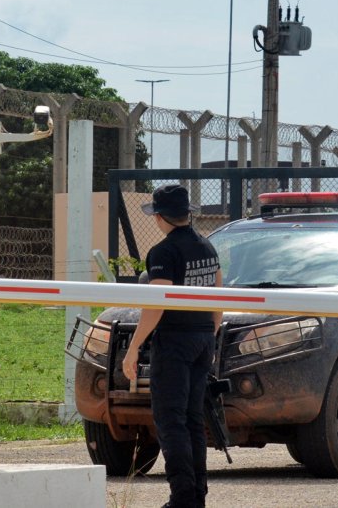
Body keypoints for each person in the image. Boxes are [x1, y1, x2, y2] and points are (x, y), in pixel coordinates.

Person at [123, 184, 222, 508]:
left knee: (170, 420)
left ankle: (182, 498)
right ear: (187, 214)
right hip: (203, 338)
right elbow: (218, 296)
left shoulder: (164, 252)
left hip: (176, 343)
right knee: (193, 420)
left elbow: (157, 304)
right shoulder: (207, 247)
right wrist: (210, 334)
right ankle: (197, 497)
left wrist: (135, 347)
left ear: (161, 216)